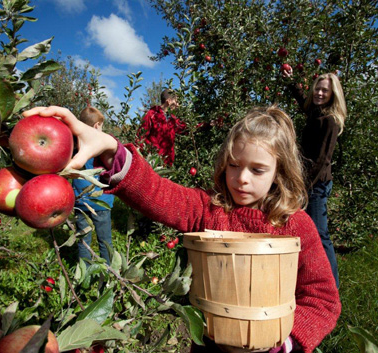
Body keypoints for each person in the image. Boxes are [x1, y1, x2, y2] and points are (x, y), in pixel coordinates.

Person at [22, 105, 341, 353]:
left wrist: (289, 342)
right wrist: (110, 149)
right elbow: (157, 192)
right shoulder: (211, 210)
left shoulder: (296, 225)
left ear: (279, 171)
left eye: (257, 170)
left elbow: (323, 300)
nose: (242, 178)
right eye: (234, 165)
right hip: (210, 346)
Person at [284, 70, 347, 289]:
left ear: (333, 94)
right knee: (306, 231)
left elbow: (322, 160)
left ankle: (332, 286)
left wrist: (304, 186)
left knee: (320, 234)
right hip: (308, 181)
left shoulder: (330, 121)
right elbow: (304, 102)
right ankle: (307, 275)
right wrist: (292, 81)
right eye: (317, 89)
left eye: (325, 90)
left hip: (316, 184)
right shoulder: (316, 112)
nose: (320, 93)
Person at [72, 106, 115, 265]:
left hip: (80, 201)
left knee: (83, 242)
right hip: (101, 201)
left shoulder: (74, 144)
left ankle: (84, 278)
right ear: (97, 125)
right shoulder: (102, 143)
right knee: (105, 242)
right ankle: (109, 277)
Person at [136, 88, 186, 166]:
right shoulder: (152, 114)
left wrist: (207, 124)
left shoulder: (173, 119)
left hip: (167, 163)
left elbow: (185, 129)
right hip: (153, 163)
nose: (177, 105)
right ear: (169, 101)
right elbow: (140, 137)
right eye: (176, 101)